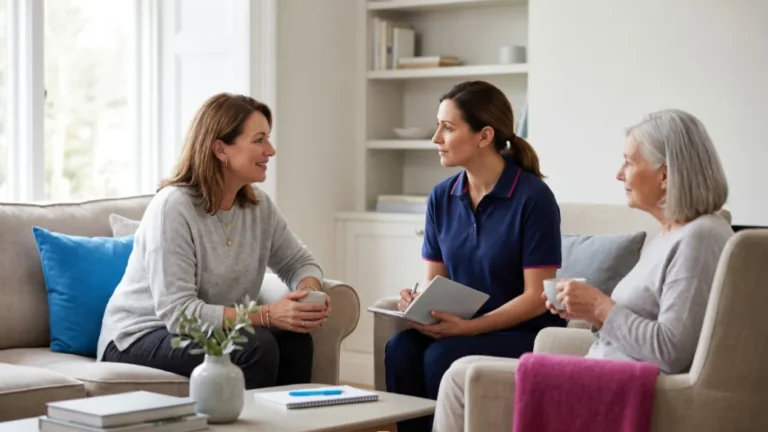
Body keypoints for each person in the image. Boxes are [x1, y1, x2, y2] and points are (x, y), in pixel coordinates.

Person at [432, 108, 734, 432]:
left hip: (626, 385)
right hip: (606, 368)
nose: (620, 174)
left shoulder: (697, 241)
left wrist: (600, 307)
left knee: (461, 376)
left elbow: (671, 352)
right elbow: (641, 325)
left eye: (630, 162)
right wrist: (591, 314)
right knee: (457, 368)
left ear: (665, 174)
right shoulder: (671, 235)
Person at [97, 93, 331, 389]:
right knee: (255, 345)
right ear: (221, 149)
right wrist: (269, 315)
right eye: (259, 140)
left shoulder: (258, 207)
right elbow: (179, 315)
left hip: (202, 330)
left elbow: (298, 262)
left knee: (295, 339)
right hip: (139, 337)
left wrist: (306, 297)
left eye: (268, 139)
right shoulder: (173, 207)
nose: (270, 150)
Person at [384, 80, 565, 432]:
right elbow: (438, 280)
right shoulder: (441, 196)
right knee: (400, 349)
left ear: (484, 136)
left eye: (448, 127)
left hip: (522, 331)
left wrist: (470, 328)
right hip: (464, 326)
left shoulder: (533, 198)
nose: (436, 137)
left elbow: (538, 296)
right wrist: (419, 300)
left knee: (442, 356)